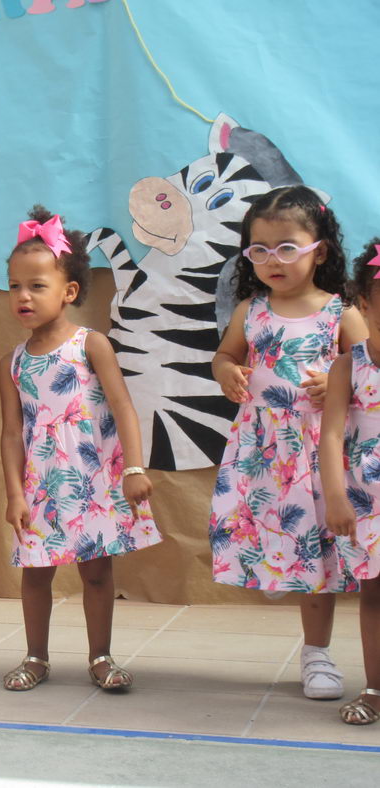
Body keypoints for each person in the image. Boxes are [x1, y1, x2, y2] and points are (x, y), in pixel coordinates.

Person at [210, 185, 367, 700]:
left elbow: (367, 371)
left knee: (318, 555)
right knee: (291, 555)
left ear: (318, 250)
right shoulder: (251, 312)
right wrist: (227, 371)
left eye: (286, 248)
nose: (272, 261)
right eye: (259, 250)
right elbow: (224, 356)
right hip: (264, 454)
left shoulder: (339, 312)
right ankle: (312, 650)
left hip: (322, 454)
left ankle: (318, 653)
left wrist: (336, 383)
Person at [0, 207, 159, 693]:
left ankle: (101, 656)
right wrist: (13, 494)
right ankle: (35, 657)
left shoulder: (92, 346)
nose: (23, 296)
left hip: (94, 482)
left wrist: (133, 467)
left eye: (36, 286)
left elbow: (124, 407)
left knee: (96, 572)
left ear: (69, 292)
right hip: (41, 487)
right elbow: (10, 434)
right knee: (36, 576)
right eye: (14, 286)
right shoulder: (11, 363)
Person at [319, 239, 380, 725]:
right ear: (364, 303)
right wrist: (336, 495)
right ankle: (375, 688)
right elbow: (332, 434)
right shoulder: (349, 365)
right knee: (374, 597)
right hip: (366, 504)